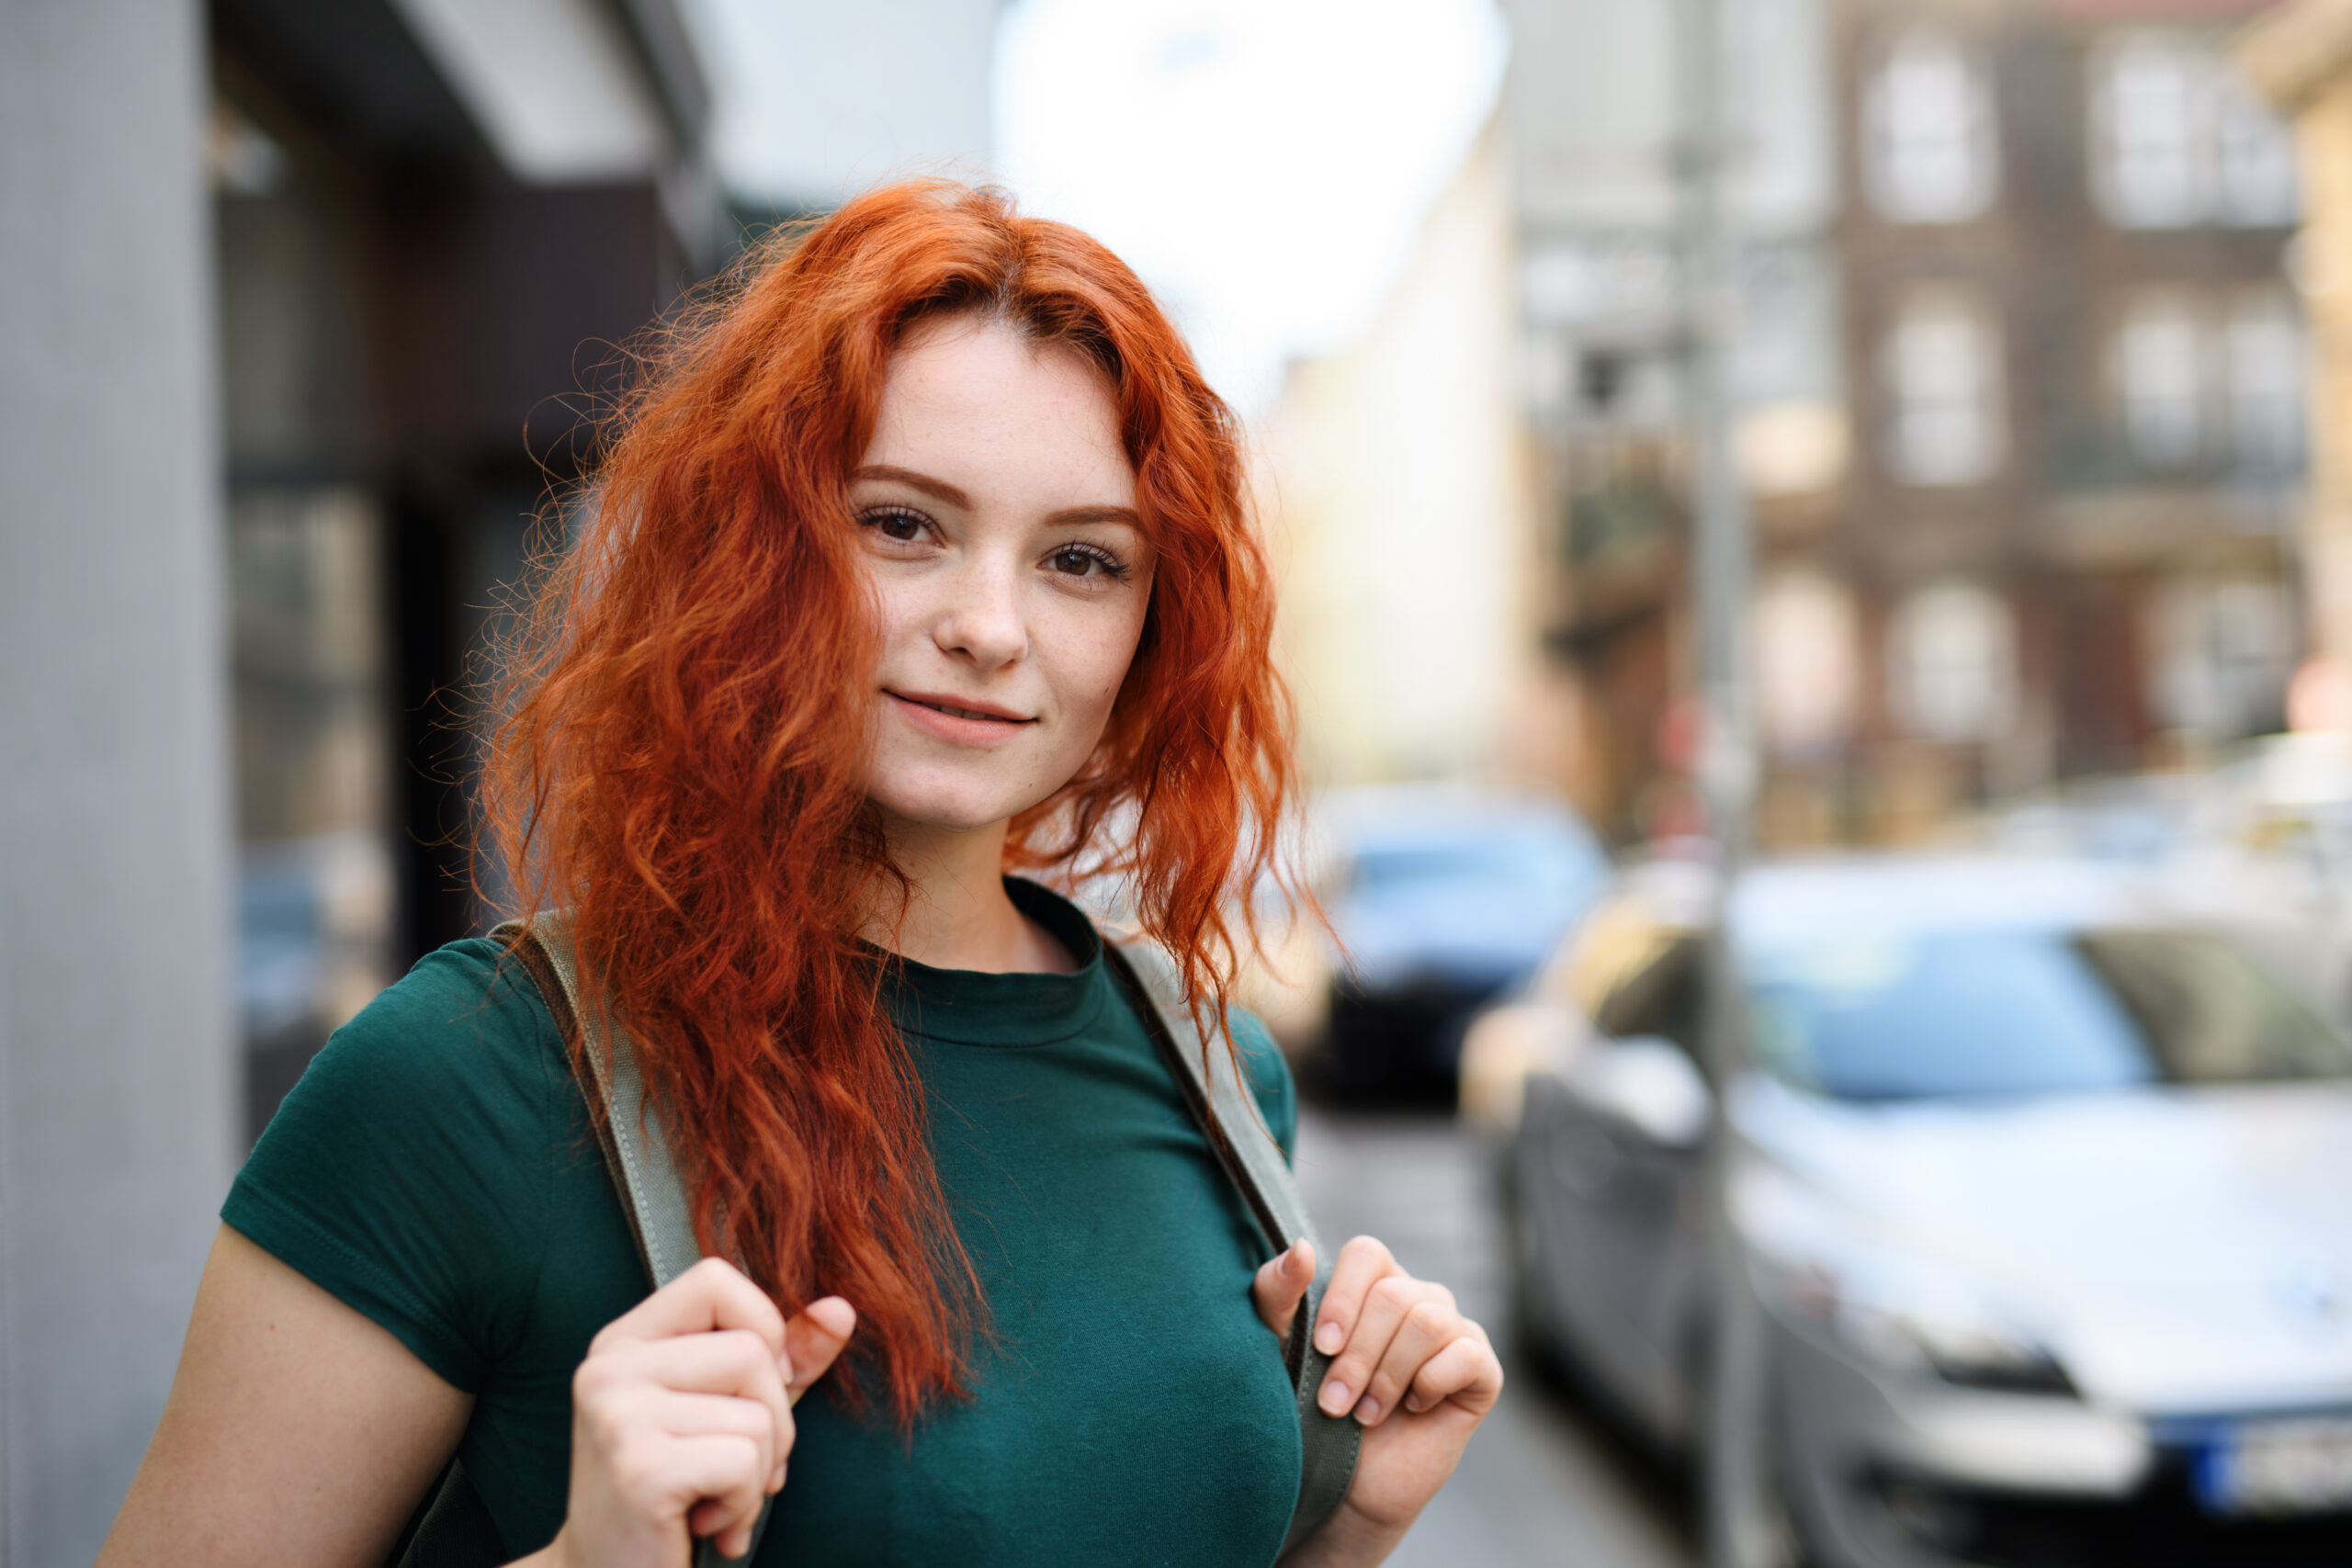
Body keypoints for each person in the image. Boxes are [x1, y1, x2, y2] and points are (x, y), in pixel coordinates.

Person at [97, 181, 1499, 1568]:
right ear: (748, 549)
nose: (990, 627)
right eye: (902, 525)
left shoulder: (1212, 1066)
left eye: (1082, 560)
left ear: (1152, 626)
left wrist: (1349, 1522)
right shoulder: (472, 1077)